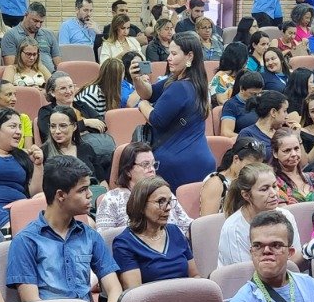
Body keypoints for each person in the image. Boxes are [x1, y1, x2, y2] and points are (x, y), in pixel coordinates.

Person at [6, 156, 124, 302]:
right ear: (61, 195)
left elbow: (114, 287)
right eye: (82, 190)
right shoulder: (26, 241)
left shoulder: (90, 235)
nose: (90, 195)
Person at [141, 32, 215, 188]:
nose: (169, 58)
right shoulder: (195, 82)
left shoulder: (179, 87)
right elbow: (150, 92)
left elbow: (156, 119)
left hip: (177, 164)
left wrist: (143, 105)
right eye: (169, 53)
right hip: (202, 160)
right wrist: (136, 80)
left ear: (189, 57)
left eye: (174, 54)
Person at [112, 175, 196, 289]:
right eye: (161, 201)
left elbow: (195, 276)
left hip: (186, 299)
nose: (168, 208)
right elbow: (135, 294)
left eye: (170, 201)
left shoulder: (174, 231)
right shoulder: (124, 244)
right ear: (141, 205)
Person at [96, 142, 193, 232]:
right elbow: (104, 239)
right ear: (127, 171)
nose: (152, 170)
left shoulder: (165, 193)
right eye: (145, 165)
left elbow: (187, 226)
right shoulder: (113, 198)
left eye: (153, 165)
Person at [218, 163, 299, 266]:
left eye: (274, 186)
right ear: (246, 195)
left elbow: (295, 259)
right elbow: (243, 274)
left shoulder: (287, 216)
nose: (273, 193)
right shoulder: (233, 229)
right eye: (264, 189)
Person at [197, 138, 267, 219]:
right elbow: (207, 222)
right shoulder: (216, 183)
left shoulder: (253, 181)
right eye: (250, 166)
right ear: (236, 159)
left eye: (257, 167)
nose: (253, 171)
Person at [41, 105, 103, 185]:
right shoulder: (43, 152)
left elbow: (102, 180)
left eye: (63, 126)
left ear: (74, 126)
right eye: (53, 126)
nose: (57, 131)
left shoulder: (86, 148)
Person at [0, 2, 59, 71]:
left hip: (51, 77)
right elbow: (11, 67)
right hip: (25, 78)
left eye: (41, 22)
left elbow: (58, 64)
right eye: (35, 21)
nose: (38, 25)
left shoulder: (49, 34)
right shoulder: (10, 35)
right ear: (26, 15)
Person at [270, 128, 314, 205]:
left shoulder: (312, 178)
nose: (294, 154)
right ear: (275, 153)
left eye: (296, 148)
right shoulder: (273, 183)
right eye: (287, 150)